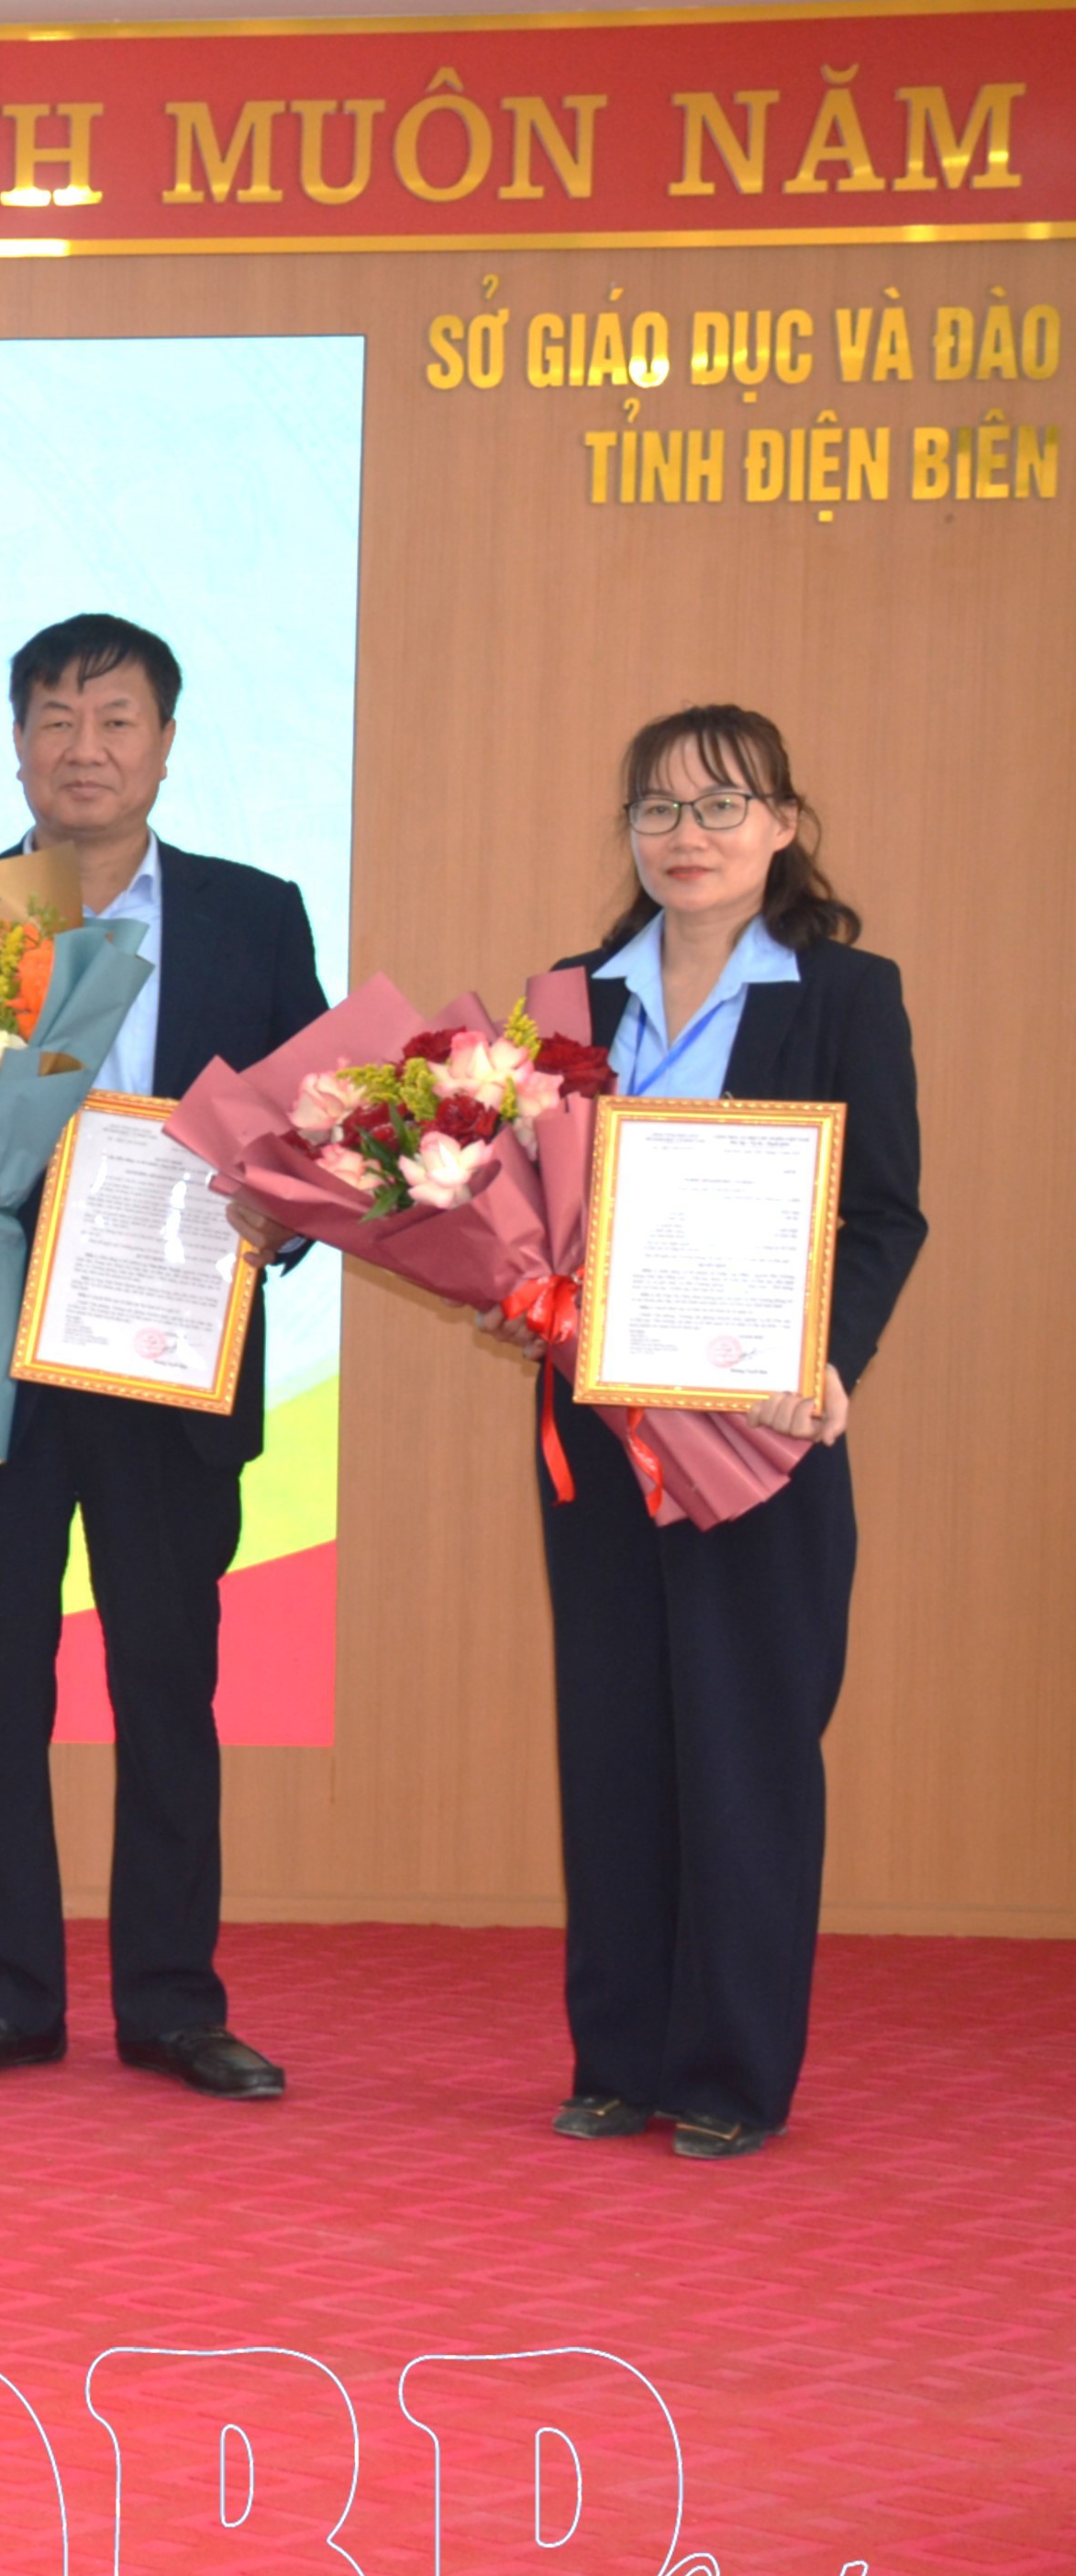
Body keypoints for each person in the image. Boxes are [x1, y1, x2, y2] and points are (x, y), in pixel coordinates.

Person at [0, 616, 327, 2099]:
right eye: (55, 718)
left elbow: (312, 1135)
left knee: (167, 1685)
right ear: (17, 744)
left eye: (117, 719)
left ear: (166, 745)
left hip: (171, 1354)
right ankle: (6, 1994)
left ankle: (175, 2002)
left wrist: (284, 1216)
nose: (85, 748)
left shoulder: (256, 915)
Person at [512, 705, 918, 2161]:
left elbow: (881, 1213)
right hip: (602, 1432)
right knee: (616, 1738)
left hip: (762, 1430)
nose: (687, 836)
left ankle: (733, 2071)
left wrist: (828, 1360)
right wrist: (519, 1280)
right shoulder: (573, 997)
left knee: (746, 1746)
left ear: (783, 826)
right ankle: (617, 2058)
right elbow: (527, 1203)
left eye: (722, 806)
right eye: (659, 810)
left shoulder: (843, 993)